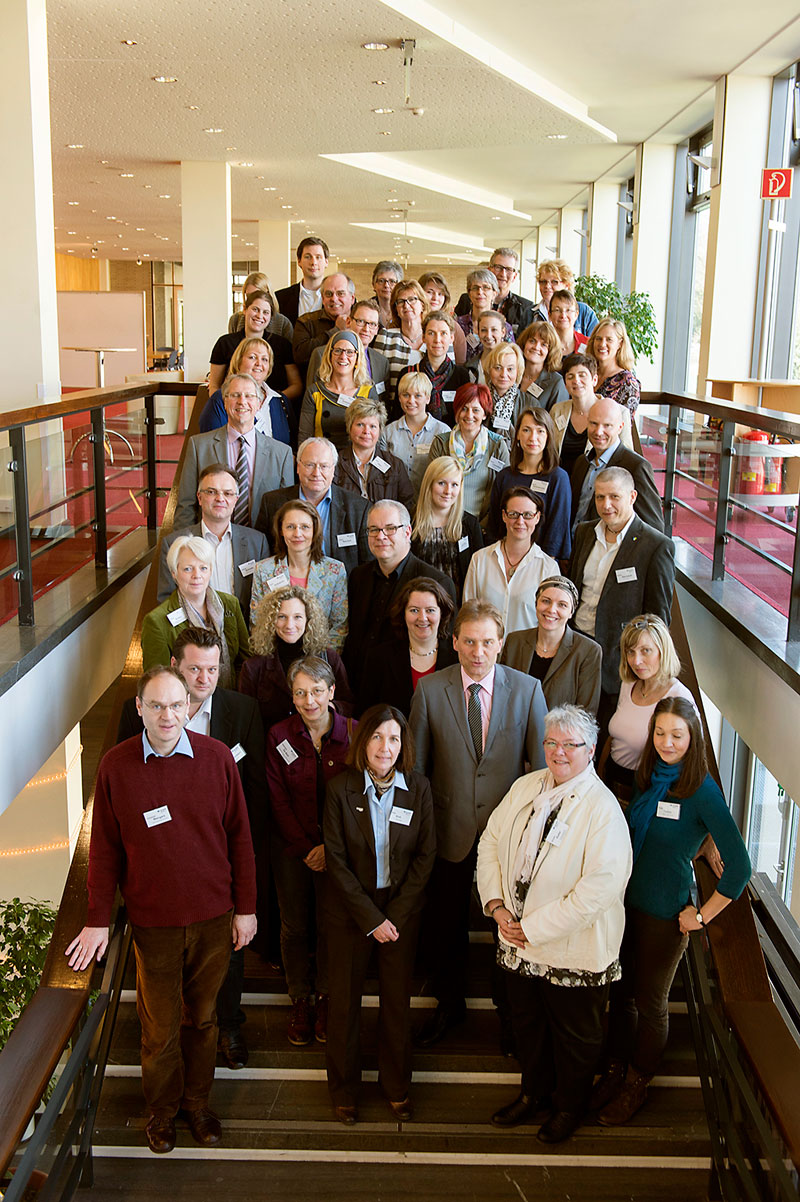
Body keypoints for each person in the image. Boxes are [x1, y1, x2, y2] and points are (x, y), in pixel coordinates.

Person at [66, 665, 257, 1155]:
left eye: (177, 704)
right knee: (159, 1028)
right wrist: (95, 918)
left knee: (204, 1019)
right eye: (157, 705)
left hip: (215, 918)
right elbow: (104, 849)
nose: (168, 714)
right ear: (140, 709)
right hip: (154, 925)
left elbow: (240, 837)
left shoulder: (217, 759)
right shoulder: (115, 765)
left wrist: (247, 909)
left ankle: (198, 1105)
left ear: (189, 706)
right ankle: (162, 1112)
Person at [477, 705, 631, 1144]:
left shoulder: (603, 809)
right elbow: (490, 842)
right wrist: (496, 905)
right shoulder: (527, 786)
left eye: (570, 745)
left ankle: (568, 1107)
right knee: (528, 1026)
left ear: (591, 750)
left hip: (571, 948)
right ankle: (533, 1094)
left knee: (575, 1038)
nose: (558, 752)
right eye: (551, 743)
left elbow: (598, 891)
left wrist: (535, 927)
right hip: (517, 942)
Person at [595, 697, 751, 1127]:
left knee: (651, 1004)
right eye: (659, 733)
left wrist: (701, 917)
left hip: (666, 915)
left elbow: (740, 866)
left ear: (692, 738)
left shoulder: (702, 790)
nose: (666, 742)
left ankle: (636, 1084)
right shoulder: (650, 776)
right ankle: (613, 1071)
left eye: (676, 735)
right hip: (625, 904)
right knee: (621, 995)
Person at [117, 629, 266, 1073]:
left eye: (212, 668)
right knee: (165, 1010)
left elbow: (251, 796)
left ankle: (230, 1027)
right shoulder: (139, 718)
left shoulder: (241, 712)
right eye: (195, 668)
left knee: (228, 963)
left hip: (215, 869)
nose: (204, 677)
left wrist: (246, 889)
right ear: (176, 670)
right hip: (159, 887)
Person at [409, 599, 547, 1048]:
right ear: (454, 642)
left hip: (507, 838)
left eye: (488, 642)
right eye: (469, 641)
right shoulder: (431, 691)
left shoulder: (527, 691)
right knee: (445, 927)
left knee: (504, 930)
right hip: (449, 833)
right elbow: (417, 774)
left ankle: (510, 1015)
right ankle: (449, 1007)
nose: (478, 651)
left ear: (501, 644)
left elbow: (542, 771)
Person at [323, 704, 436, 1124]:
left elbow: (426, 858)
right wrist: (371, 918)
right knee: (344, 1006)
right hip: (351, 914)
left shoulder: (419, 789)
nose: (385, 747)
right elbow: (335, 860)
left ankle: (396, 1087)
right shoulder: (340, 790)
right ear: (362, 742)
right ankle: (344, 1091)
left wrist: (394, 917)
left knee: (396, 1005)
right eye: (376, 737)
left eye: (393, 738)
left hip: (401, 912)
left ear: (403, 744)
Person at [265, 656, 355, 1048]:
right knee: (295, 926)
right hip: (292, 850)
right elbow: (277, 798)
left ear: (332, 692)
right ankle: (300, 999)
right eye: (300, 692)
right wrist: (306, 848)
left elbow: (357, 799)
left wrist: (330, 850)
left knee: (331, 926)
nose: (309, 700)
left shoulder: (353, 733)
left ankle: (327, 995)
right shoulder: (279, 736)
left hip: (340, 852)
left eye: (317, 691)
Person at [568, 467, 675, 722]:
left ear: (632, 497)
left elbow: (658, 618)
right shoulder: (584, 532)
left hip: (618, 662)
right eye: (599, 497)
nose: (606, 505)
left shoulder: (655, 546)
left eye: (614, 497)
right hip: (577, 648)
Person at [342, 500, 457, 694]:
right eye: (374, 529)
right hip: (357, 686)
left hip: (402, 691)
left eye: (390, 528)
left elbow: (445, 648)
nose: (380, 536)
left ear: (407, 531)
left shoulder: (436, 582)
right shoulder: (357, 576)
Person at [173, 373, 294, 530]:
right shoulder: (199, 446)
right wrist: (185, 547)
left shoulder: (282, 454)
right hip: (210, 544)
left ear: (259, 404)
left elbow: (287, 512)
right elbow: (185, 506)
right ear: (224, 402)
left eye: (249, 396)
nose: (242, 401)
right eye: (235, 395)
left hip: (262, 546)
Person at [157, 463, 268, 619]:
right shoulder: (174, 543)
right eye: (211, 492)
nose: (220, 498)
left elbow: (266, 597)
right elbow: (167, 601)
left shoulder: (257, 542)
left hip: (245, 634)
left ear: (236, 500)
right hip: (196, 635)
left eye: (228, 493)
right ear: (199, 498)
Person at [605, 614, 696, 796]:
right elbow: (615, 737)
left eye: (645, 650)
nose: (636, 661)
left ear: (662, 651)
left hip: (646, 789)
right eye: (631, 651)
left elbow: (690, 756)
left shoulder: (679, 695)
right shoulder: (629, 684)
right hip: (611, 781)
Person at [142, 535, 249, 688]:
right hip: (186, 705)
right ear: (174, 573)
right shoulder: (157, 621)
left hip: (230, 698)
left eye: (203, 568)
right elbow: (158, 681)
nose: (196, 575)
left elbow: (245, 658)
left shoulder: (230, 604)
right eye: (188, 569)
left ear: (211, 570)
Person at [241, 585, 352, 731]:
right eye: (281, 617)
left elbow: (349, 706)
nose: (289, 625)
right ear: (271, 621)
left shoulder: (329, 658)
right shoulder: (253, 668)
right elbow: (246, 721)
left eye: (297, 617)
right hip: (273, 748)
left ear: (308, 620)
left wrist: (330, 707)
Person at [255, 437, 369, 573]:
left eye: (324, 466)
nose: (316, 473)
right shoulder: (272, 503)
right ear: (298, 467)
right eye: (310, 465)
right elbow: (263, 556)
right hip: (286, 588)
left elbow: (366, 565)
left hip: (342, 590)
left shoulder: (359, 508)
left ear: (333, 470)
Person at [249, 500, 348, 650]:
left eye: (305, 527)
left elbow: (339, 626)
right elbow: (257, 622)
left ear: (315, 531)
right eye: (290, 527)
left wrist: (317, 663)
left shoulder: (334, 571)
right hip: (275, 658)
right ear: (281, 530)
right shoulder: (264, 570)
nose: (297, 534)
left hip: (319, 661)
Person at [463, 487, 559, 636]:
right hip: (484, 653)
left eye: (527, 515)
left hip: (525, 654)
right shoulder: (479, 559)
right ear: (504, 516)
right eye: (514, 514)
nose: (520, 521)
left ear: (537, 517)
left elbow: (551, 622)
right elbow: (468, 614)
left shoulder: (548, 568)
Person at [501, 577, 602, 715]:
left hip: (560, 734)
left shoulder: (589, 651)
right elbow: (502, 694)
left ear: (571, 612)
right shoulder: (514, 641)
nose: (551, 609)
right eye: (546, 601)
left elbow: (586, 713)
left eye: (562, 605)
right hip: (515, 730)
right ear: (536, 604)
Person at [359, 576, 457, 717]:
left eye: (430, 610)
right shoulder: (378, 658)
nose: (422, 618)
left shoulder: (458, 658)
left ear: (442, 613)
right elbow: (366, 714)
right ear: (403, 613)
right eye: (414, 610)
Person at [488, 407, 572, 561]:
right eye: (526, 430)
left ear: (548, 437)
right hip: (504, 559)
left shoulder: (558, 478)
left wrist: (542, 567)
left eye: (540, 431)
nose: (533, 438)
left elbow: (557, 531)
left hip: (542, 562)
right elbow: (495, 526)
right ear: (518, 434)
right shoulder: (504, 476)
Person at [570, 397, 662, 532]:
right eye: (594, 423)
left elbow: (654, 526)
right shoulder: (581, 462)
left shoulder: (636, 467)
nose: (598, 432)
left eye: (607, 425)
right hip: (576, 547)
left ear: (620, 427)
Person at [427, 383, 510, 525]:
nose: (469, 415)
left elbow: (505, 490)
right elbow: (430, 486)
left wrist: (482, 526)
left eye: (476, 410)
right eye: (464, 408)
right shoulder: (441, 443)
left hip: (484, 525)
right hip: (445, 523)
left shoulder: (497, 446)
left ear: (485, 414)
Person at [410, 456, 483, 601]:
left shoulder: (470, 524)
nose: (448, 491)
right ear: (429, 484)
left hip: (458, 607)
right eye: (442, 483)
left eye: (454, 484)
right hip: (420, 607)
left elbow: (478, 573)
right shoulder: (410, 521)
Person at [208, 290, 300, 403]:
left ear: (271, 316)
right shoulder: (225, 343)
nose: (259, 315)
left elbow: (296, 386)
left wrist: (271, 400)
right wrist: (226, 405)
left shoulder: (282, 345)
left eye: (266, 312)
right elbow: (214, 386)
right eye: (255, 309)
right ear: (245, 309)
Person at [198, 336, 293, 443]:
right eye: (252, 357)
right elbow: (212, 446)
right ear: (239, 361)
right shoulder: (221, 399)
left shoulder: (280, 401)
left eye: (264, 359)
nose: (259, 363)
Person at [298, 328, 377, 449]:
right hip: (323, 458)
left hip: (354, 461)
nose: (343, 356)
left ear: (357, 358)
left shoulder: (368, 392)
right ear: (329, 356)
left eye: (350, 352)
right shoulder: (314, 392)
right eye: (338, 351)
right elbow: (305, 437)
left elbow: (374, 436)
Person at [332, 396, 414, 510]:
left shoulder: (395, 465)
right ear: (349, 427)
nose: (366, 431)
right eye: (360, 424)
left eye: (373, 426)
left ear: (380, 430)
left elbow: (407, 504)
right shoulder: (335, 463)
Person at [384, 372, 449, 496]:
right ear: (399, 397)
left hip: (429, 503)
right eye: (406, 395)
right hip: (395, 502)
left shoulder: (443, 432)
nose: (411, 401)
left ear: (428, 398)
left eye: (418, 395)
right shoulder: (387, 432)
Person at [305, 299, 390, 394]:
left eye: (372, 324)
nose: (366, 329)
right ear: (349, 322)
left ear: (377, 329)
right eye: (361, 321)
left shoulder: (382, 362)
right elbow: (312, 397)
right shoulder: (320, 354)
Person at [371, 279, 429, 411]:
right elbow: (375, 381)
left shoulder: (436, 336)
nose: (406, 305)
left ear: (423, 305)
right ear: (395, 308)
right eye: (401, 301)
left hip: (430, 414)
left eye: (412, 299)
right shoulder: (385, 336)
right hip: (392, 412)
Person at [409, 310, 470, 422]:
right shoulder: (409, 374)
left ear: (451, 338)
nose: (437, 340)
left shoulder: (462, 376)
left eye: (443, 333)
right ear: (423, 337)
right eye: (431, 333)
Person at [292, 273, 356, 369]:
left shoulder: (361, 322)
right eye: (328, 294)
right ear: (322, 298)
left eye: (340, 294)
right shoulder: (306, 321)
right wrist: (335, 330)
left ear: (352, 298)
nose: (334, 299)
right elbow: (300, 356)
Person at [551, 353, 599, 479]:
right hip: (560, 483)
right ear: (566, 384)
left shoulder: (615, 412)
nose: (576, 381)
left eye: (582, 375)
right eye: (570, 376)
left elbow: (624, 458)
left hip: (595, 486)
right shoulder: (557, 411)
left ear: (594, 380)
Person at [585, 318, 642, 416]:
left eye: (609, 339)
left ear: (620, 344)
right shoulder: (586, 373)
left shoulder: (627, 383)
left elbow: (623, 424)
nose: (602, 344)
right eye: (598, 339)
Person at [456, 269, 513, 356]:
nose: (480, 292)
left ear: (494, 293)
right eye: (475, 288)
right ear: (469, 294)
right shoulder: (458, 324)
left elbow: (511, 357)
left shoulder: (504, 327)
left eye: (486, 287)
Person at [275, 237, 330, 325]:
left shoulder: (339, 299)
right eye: (308, 257)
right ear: (299, 261)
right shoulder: (280, 298)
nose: (313, 262)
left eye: (318, 257)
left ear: (326, 262)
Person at [516, 321, 568, 412]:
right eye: (532, 341)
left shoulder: (556, 383)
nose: (536, 347)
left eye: (543, 344)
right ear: (524, 344)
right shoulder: (512, 373)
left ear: (550, 351)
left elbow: (558, 421)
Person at [483, 341, 526, 449]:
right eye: (498, 368)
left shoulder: (530, 404)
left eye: (510, 369)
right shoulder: (479, 400)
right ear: (489, 370)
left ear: (518, 372)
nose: (503, 374)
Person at [418, 271, 468, 361]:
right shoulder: (411, 322)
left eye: (440, 294)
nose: (435, 298)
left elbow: (460, 364)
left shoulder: (454, 327)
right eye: (430, 292)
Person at [228, 271, 294, 339]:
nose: (253, 299)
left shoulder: (283, 323)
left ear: (268, 294)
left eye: (258, 294)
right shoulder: (235, 320)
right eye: (249, 295)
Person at [552, 260, 599, 336]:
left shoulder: (584, 312)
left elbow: (595, 342)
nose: (547, 286)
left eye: (554, 282)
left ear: (567, 284)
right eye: (543, 282)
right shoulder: (532, 313)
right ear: (549, 314)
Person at [549, 288, 588, 359]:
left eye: (568, 310)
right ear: (550, 315)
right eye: (557, 310)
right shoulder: (543, 345)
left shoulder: (588, 344)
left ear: (576, 314)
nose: (563, 315)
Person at [371, 259, 404, 330]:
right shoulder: (367, 309)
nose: (386, 285)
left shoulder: (405, 309)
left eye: (392, 281)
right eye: (381, 281)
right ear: (374, 284)